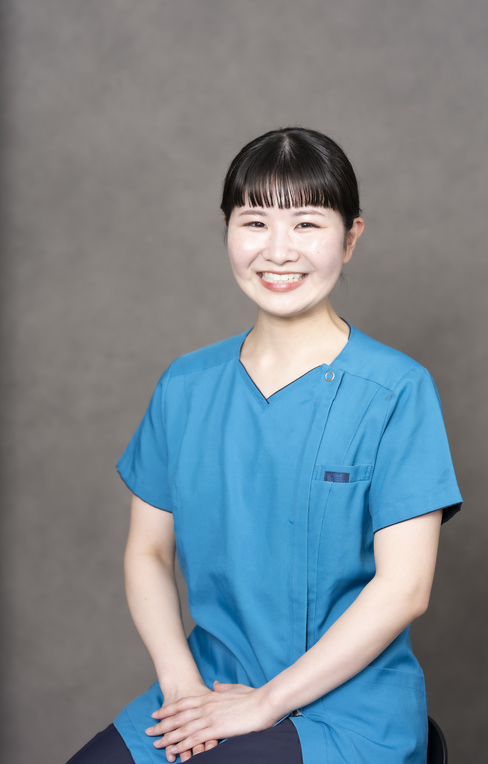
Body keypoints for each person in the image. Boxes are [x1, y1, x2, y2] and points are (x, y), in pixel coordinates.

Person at [67, 127, 462, 764]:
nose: (279, 251)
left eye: (307, 224)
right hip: (208, 684)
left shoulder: (396, 390)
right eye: (254, 222)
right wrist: (181, 686)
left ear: (350, 238)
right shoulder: (185, 386)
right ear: (227, 230)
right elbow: (148, 552)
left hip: (347, 710)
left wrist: (265, 704)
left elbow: (406, 587)